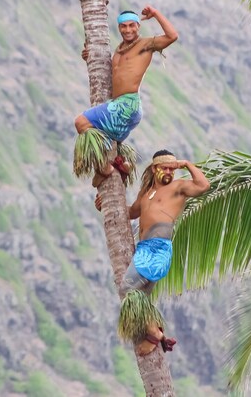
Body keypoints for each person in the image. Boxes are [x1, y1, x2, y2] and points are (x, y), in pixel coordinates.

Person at [97, 149, 210, 355]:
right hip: (143, 249)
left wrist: (185, 164)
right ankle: (154, 334)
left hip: (158, 248)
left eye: (171, 168)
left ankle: (154, 334)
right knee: (139, 298)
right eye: (165, 168)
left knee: (127, 290)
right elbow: (131, 212)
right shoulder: (147, 193)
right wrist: (106, 202)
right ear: (155, 168)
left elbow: (203, 185)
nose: (169, 172)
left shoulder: (178, 188)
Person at [73, 6, 178, 181]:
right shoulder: (118, 51)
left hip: (127, 105)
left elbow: (172, 36)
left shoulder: (145, 45)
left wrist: (156, 14)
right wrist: (89, 58)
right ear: (119, 28)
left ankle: (106, 168)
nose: (128, 30)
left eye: (132, 25)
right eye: (124, 26)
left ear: (138, 26)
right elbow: (110, 77)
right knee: (97, 134)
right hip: (120, 107)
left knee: (81, 122)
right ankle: (121, 164)